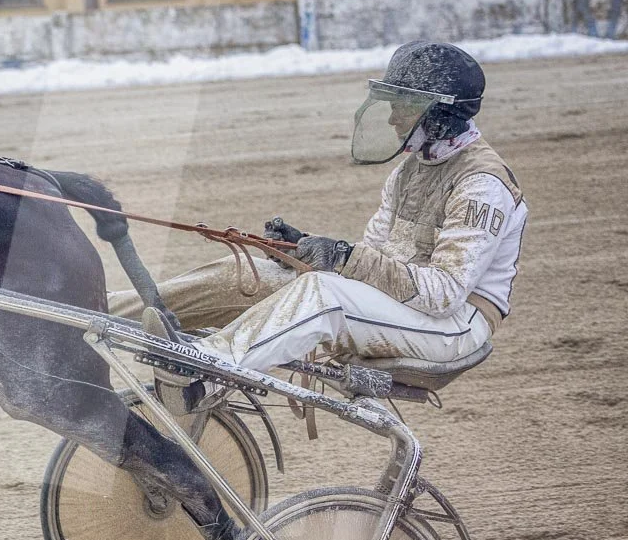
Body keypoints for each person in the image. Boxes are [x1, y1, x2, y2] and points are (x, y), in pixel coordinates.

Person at [116, 41, 528, 413]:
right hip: (410, 309)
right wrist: (307, 251)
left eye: (404, 105)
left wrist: (343, 259)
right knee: (258, 275)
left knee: (323, 295)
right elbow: (376, 263)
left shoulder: (482, 185)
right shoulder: (409, 172)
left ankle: (201, 369)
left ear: (440, 115)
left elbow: (443, 295)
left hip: (454, 327)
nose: (392, 118)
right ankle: (106, 310)